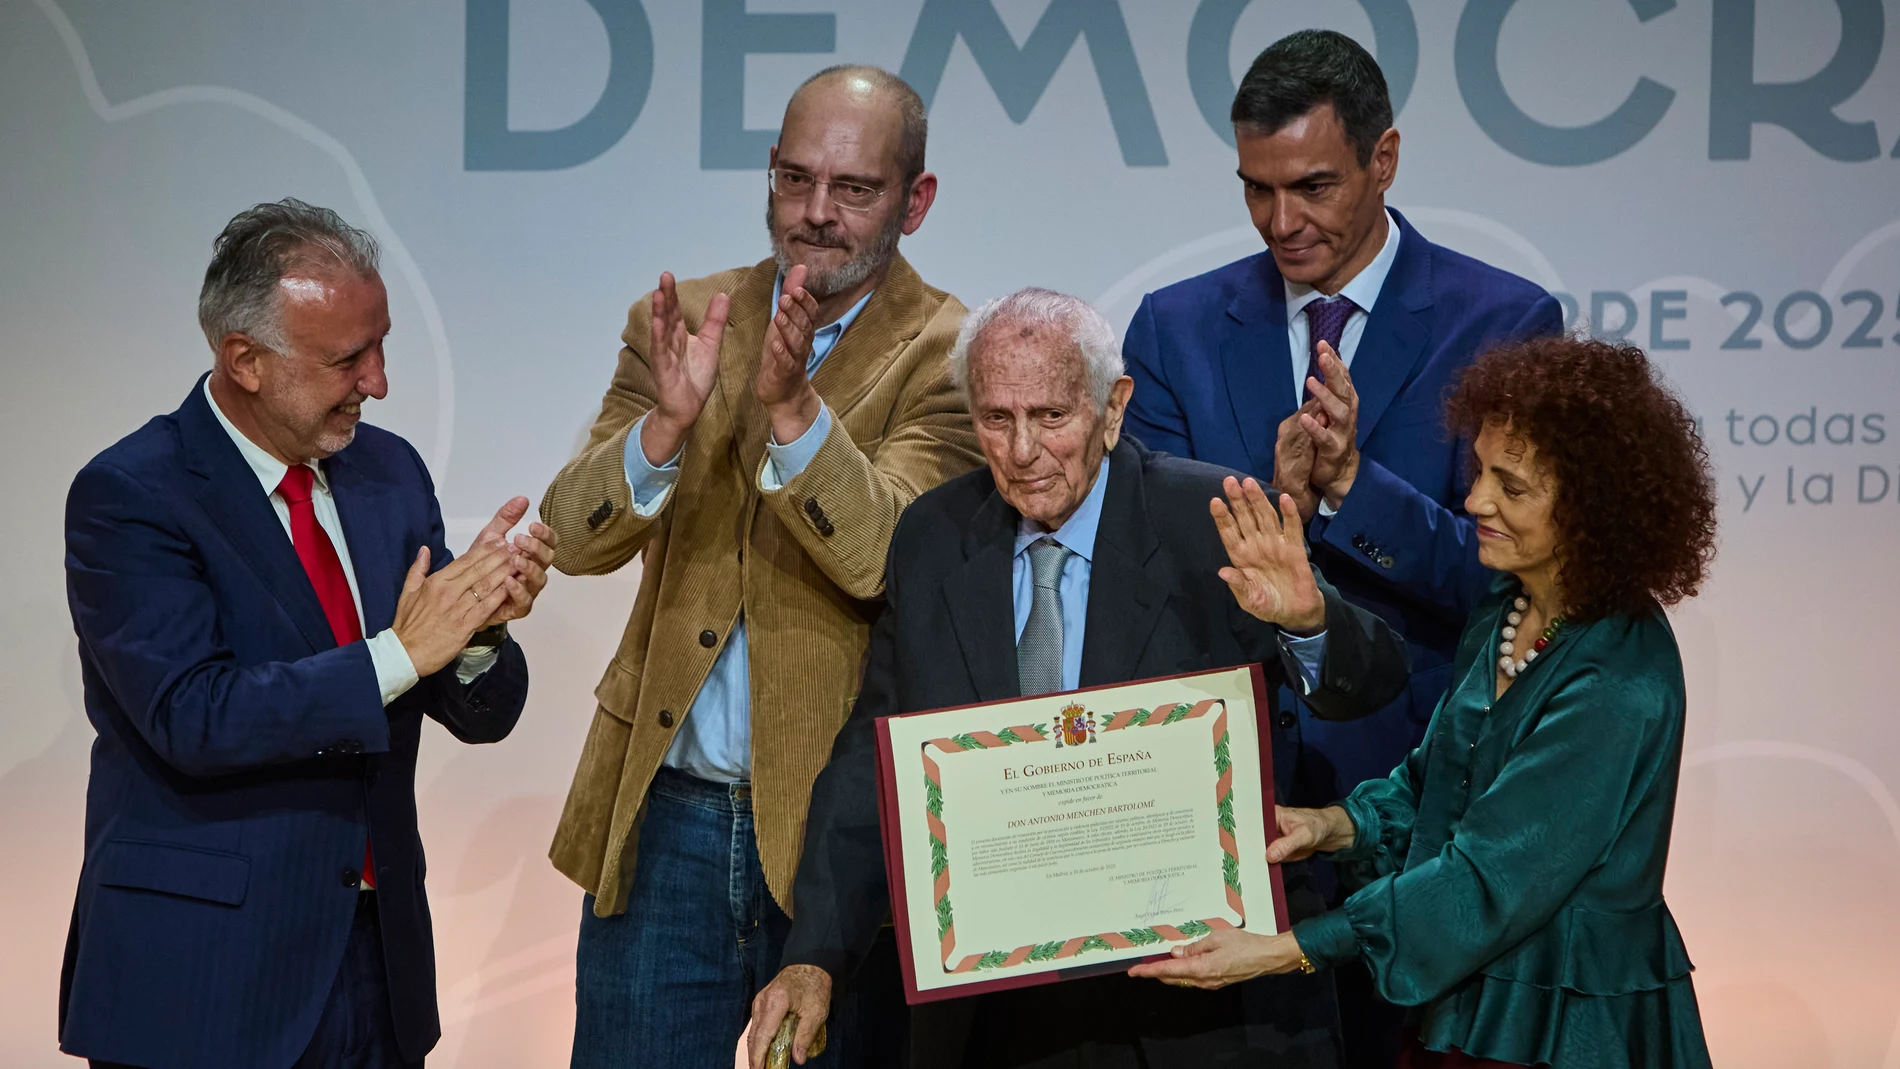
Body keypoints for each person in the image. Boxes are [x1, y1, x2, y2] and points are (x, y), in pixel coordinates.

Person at [748, 288, 1412, 1069]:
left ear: (1114, 406)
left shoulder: (1214, 518)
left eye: (1051, 416)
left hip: (1207, 1013)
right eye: (996, 418)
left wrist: (1307, 621)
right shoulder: (932, 538)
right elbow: (873, 762)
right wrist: (814, 953)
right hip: (1002, 1021)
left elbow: (1372, 682)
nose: (1022, 449)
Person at [540, 65, 981, 1068]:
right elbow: (575, 536)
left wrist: (791, 413)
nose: (814, 214)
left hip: (838, 842)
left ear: (916, 200)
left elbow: (887, 562)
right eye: (793, 179)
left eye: (853, 188)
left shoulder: (952, 353)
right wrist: (664, 427)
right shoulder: (687, 316)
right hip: (664, 823)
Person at [1130, 336, 1718, 1069]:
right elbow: (1436, 777)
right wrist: (1331, 824)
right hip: (1465, 1008)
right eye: (1479, 473)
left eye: (1512, 486)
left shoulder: (1620, 676)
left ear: (1593, 508)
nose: (1475, 501)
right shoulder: (1507, 599)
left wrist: (1284, 951)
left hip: (1569, 1030)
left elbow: (1487, 879)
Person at [58, 199, 553, 1069]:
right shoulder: (132, 495)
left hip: (377, 973)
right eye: (347, 358)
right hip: (203, 984)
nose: (380, 380)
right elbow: (193, 714)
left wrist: (477, 629)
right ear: (244, 360)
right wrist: (402, 652)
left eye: (384, 344)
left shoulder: (389, 471)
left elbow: (478, 713)